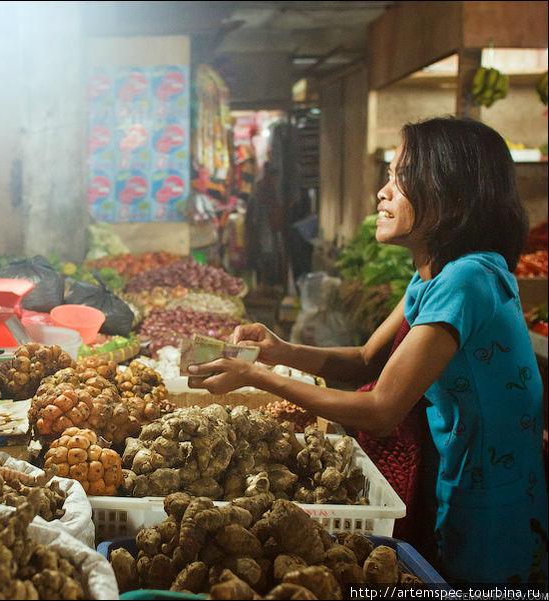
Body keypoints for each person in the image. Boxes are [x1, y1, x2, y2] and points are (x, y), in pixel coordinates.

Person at [188, 116, 547, 587]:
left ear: (450, 192)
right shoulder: (435, 275)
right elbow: (367, 360)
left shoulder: (467, 278)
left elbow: (381, 410)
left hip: (490, 504)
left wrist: (258, 378)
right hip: (462, 478)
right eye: (388, 177)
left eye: (401, 179)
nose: (383, 192)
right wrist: (279, 351)